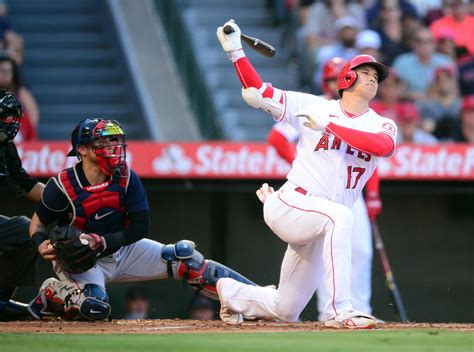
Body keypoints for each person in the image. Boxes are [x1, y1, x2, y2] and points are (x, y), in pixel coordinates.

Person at [216, 20, 398, 329]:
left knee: (286, 309)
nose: (372, 79)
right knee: (341, 217)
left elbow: (382, 146)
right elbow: (259, 93)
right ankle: (342, 310)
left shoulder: (381, 123)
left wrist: (330, 127)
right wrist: (235, 50)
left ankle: (233, 293)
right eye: (366, 73)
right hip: (292, 203)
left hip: (318, 221)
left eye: (375, 76)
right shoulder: (314, 105)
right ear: (347, 77)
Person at [27, 118, 255, 321]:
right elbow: (38, 222)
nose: (113, 147)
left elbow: (140, 227)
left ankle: (257, 298)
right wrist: (40, 243)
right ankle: (51, 292)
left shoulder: (126, 177)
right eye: (104, 142)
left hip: (122, 249)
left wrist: (103, 241)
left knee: (186, 259)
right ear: (83, 150)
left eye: (114, 141)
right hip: (82, 262)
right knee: (94, 307)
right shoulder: (62, 185)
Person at [268, 57, 381, 321]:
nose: (333, 83)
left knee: (361, 250)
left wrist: (373, 194)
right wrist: (302, 164)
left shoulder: (364, 114)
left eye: (335, 77)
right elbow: (277, 138)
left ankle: (360, 307)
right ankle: (328, 311)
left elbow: (376, 153)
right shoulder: (316, 106)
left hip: (352, 193)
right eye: (330, 79)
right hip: (319, 191)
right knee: (326, 249)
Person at [0, 89, 45, 321]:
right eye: (1, 117)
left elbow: (25, 183)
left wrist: (69, 199)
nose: (6, 124)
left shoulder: (4, 146)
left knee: (25, 230)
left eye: (8, 118)